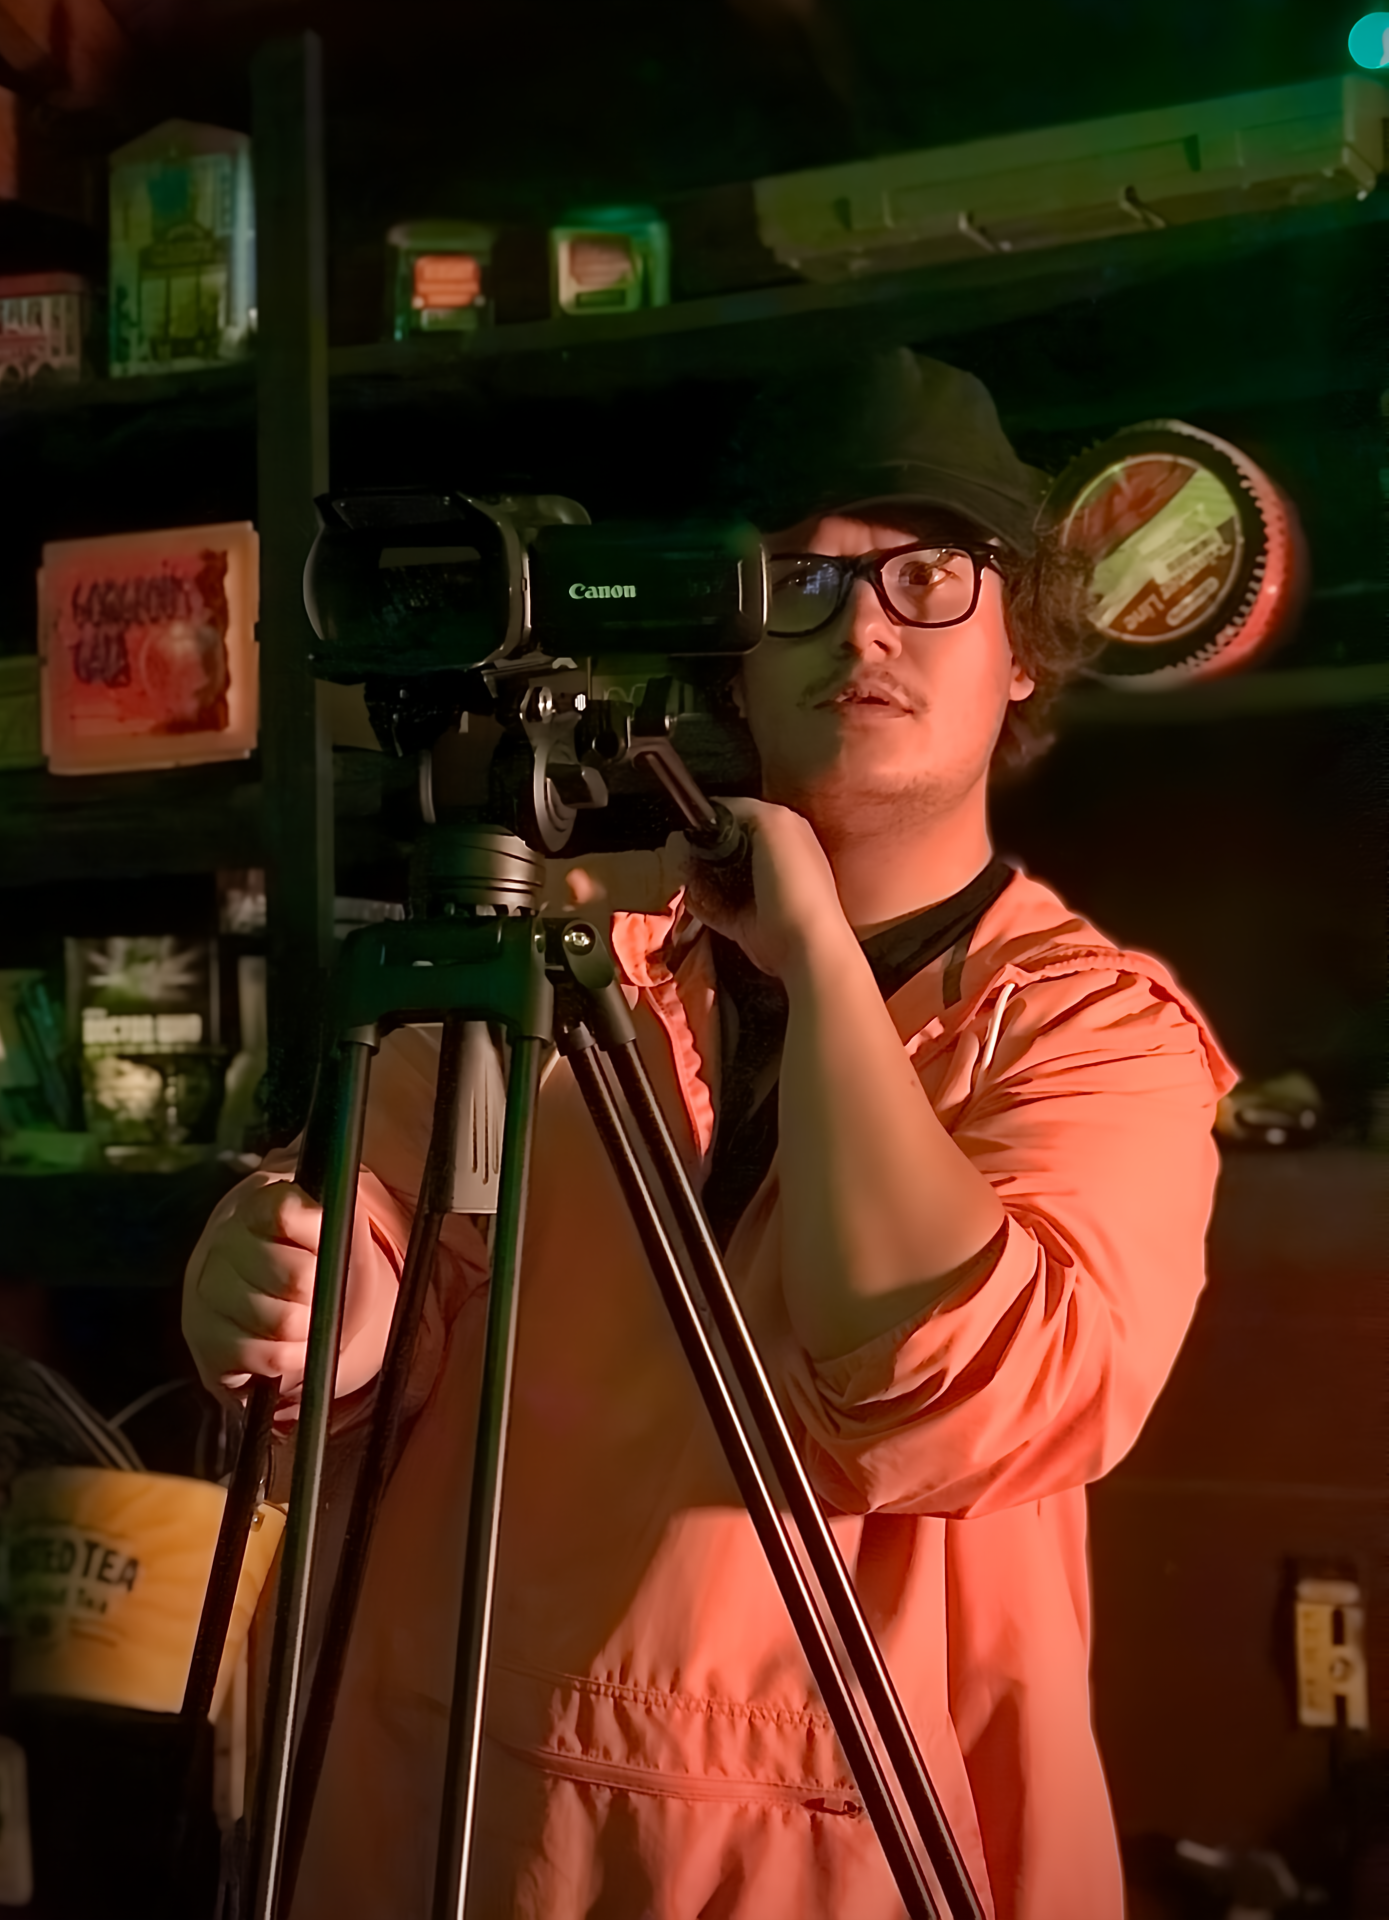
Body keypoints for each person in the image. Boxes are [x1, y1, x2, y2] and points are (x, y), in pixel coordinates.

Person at [183, 350, 1235, 1920]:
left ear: (1026, 645)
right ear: (733, 643)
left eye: (929, 573)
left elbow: (947, 1388)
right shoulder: (568, 958)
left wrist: (809, 943)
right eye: (801, 576)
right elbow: (359, 1273)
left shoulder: (1096, 1032)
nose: (863, 621)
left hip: (856, 1846)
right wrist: (280, 1298)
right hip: (456, 1822)